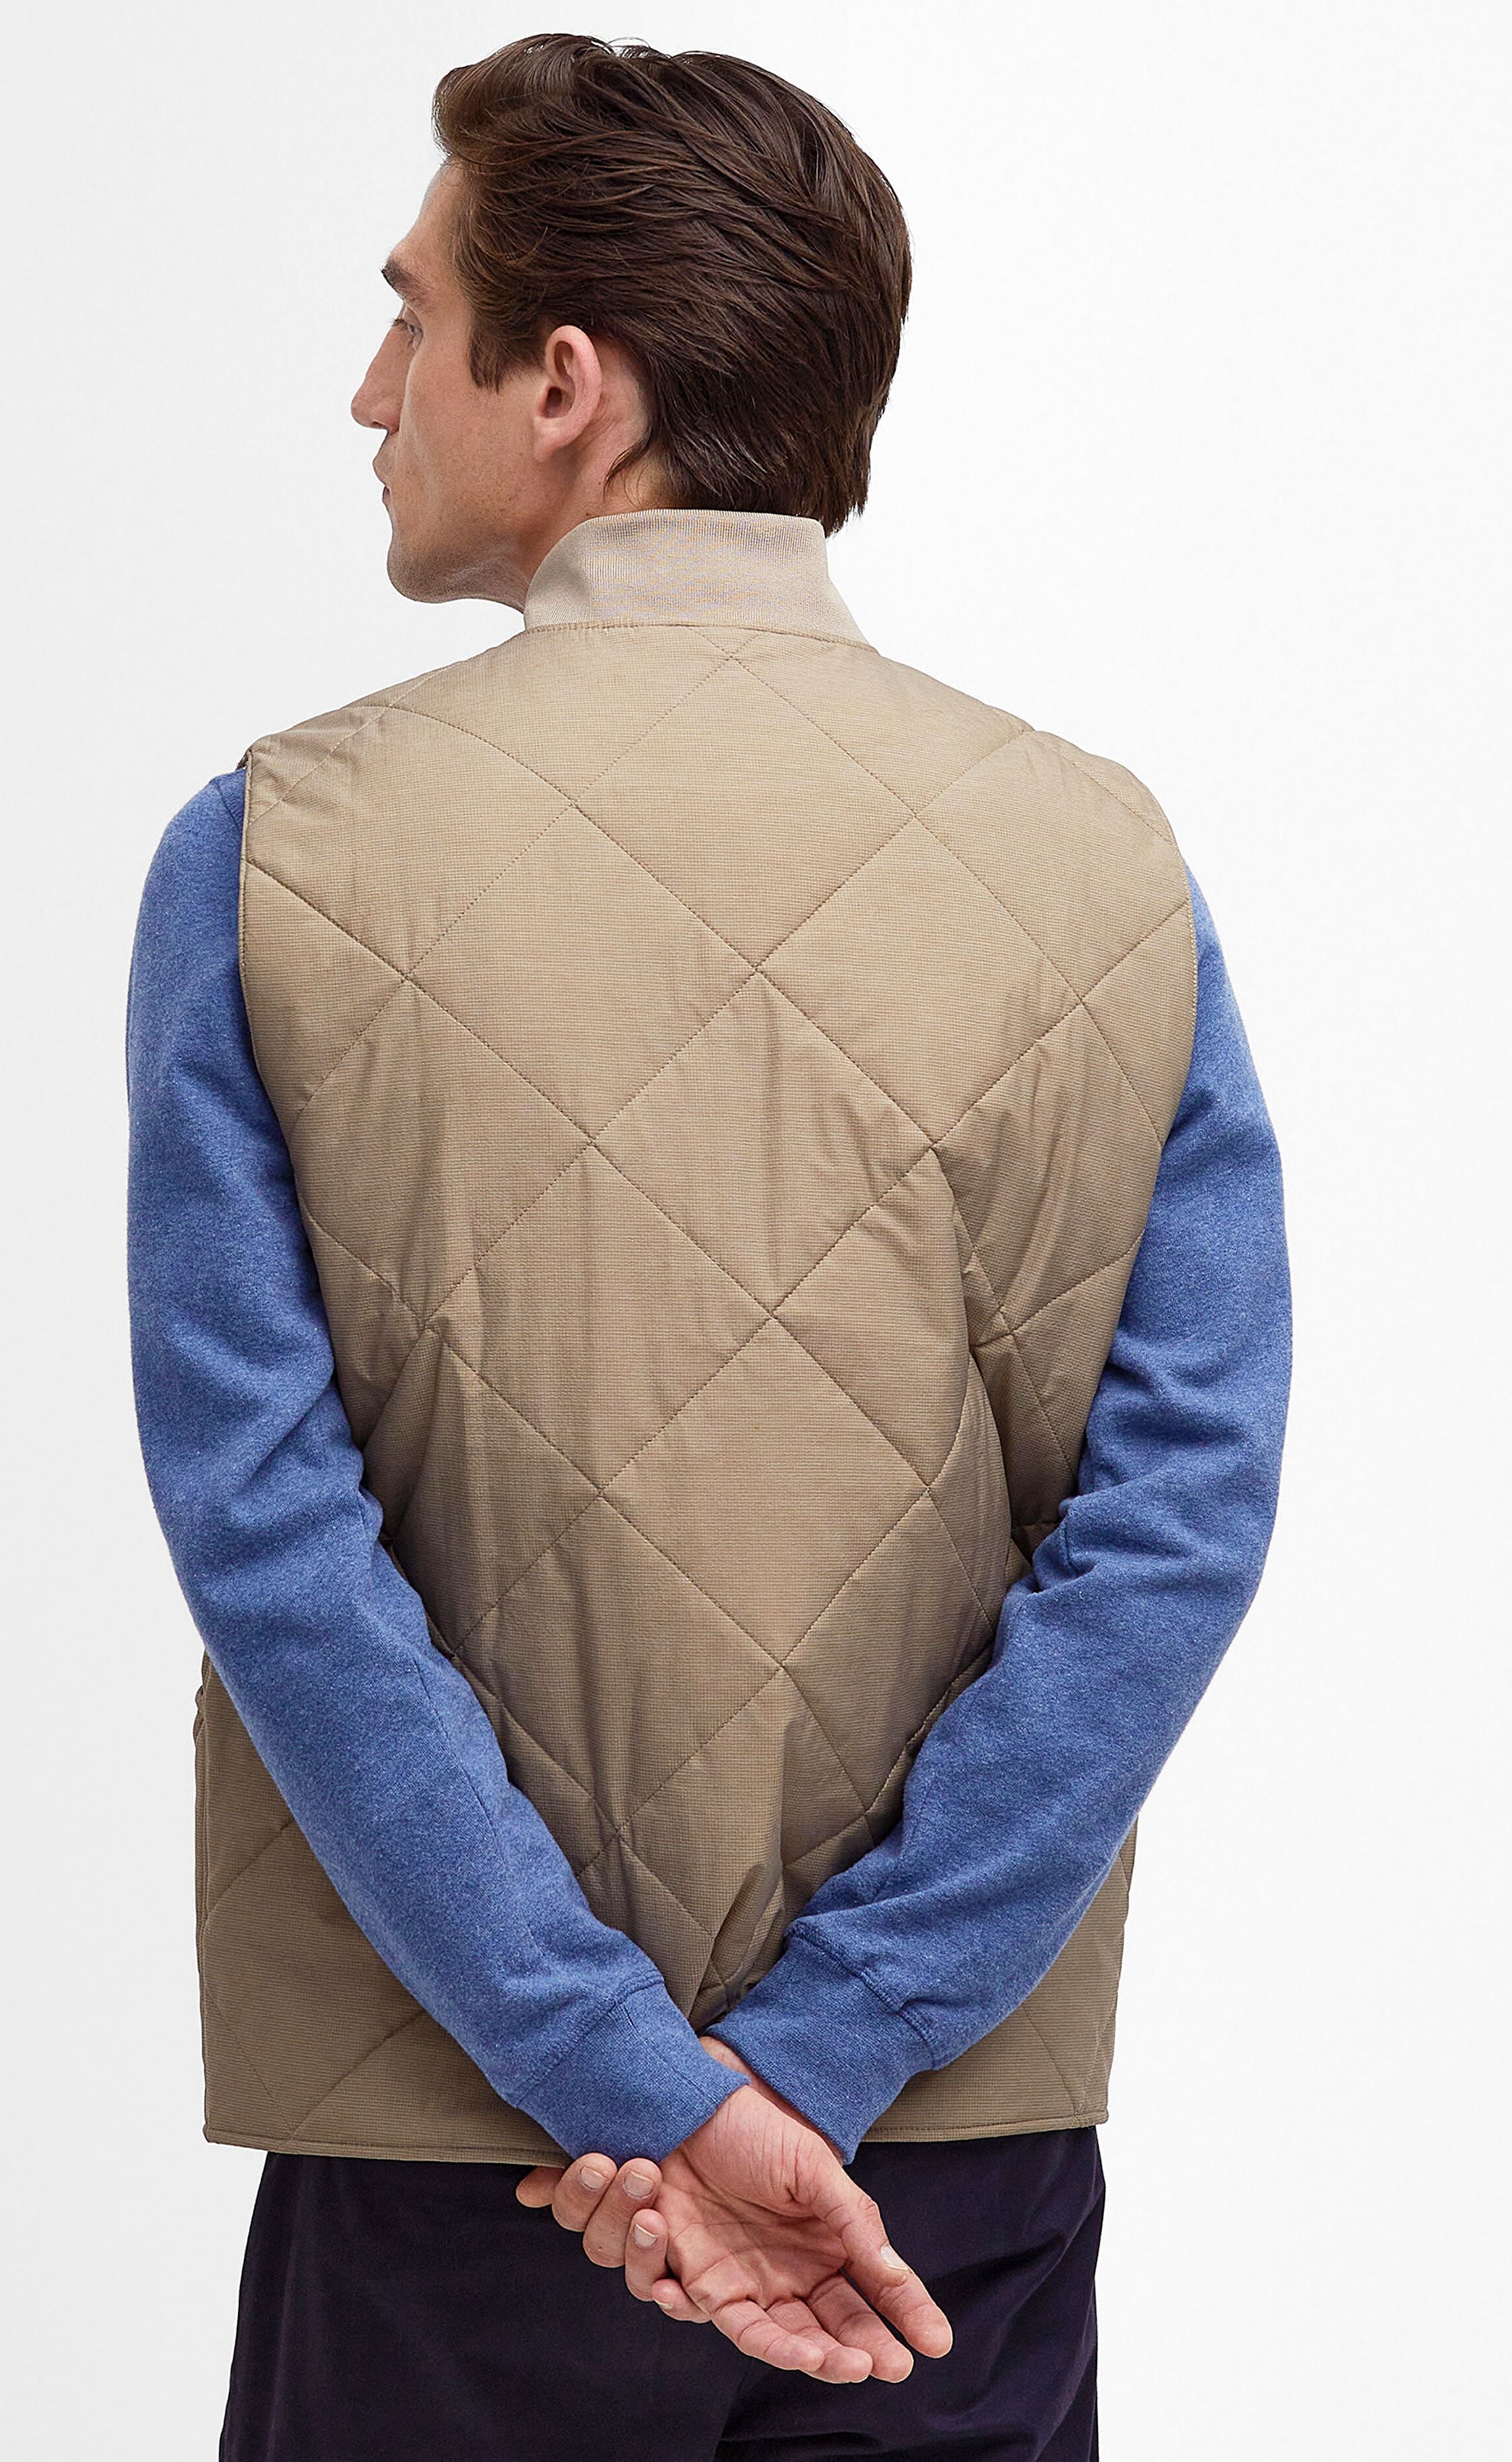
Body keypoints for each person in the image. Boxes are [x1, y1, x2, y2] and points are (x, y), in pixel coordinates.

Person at [127, 32, 1290, 2460]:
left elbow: (269, 1535)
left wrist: (621, 2078)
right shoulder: (1106, 868)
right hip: (933, 2185)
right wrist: (822, 2055)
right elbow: (1175, 1520)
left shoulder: (272, 853)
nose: (367, 390)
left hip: (460, 2156)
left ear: (566, 382)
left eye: (410, 315)